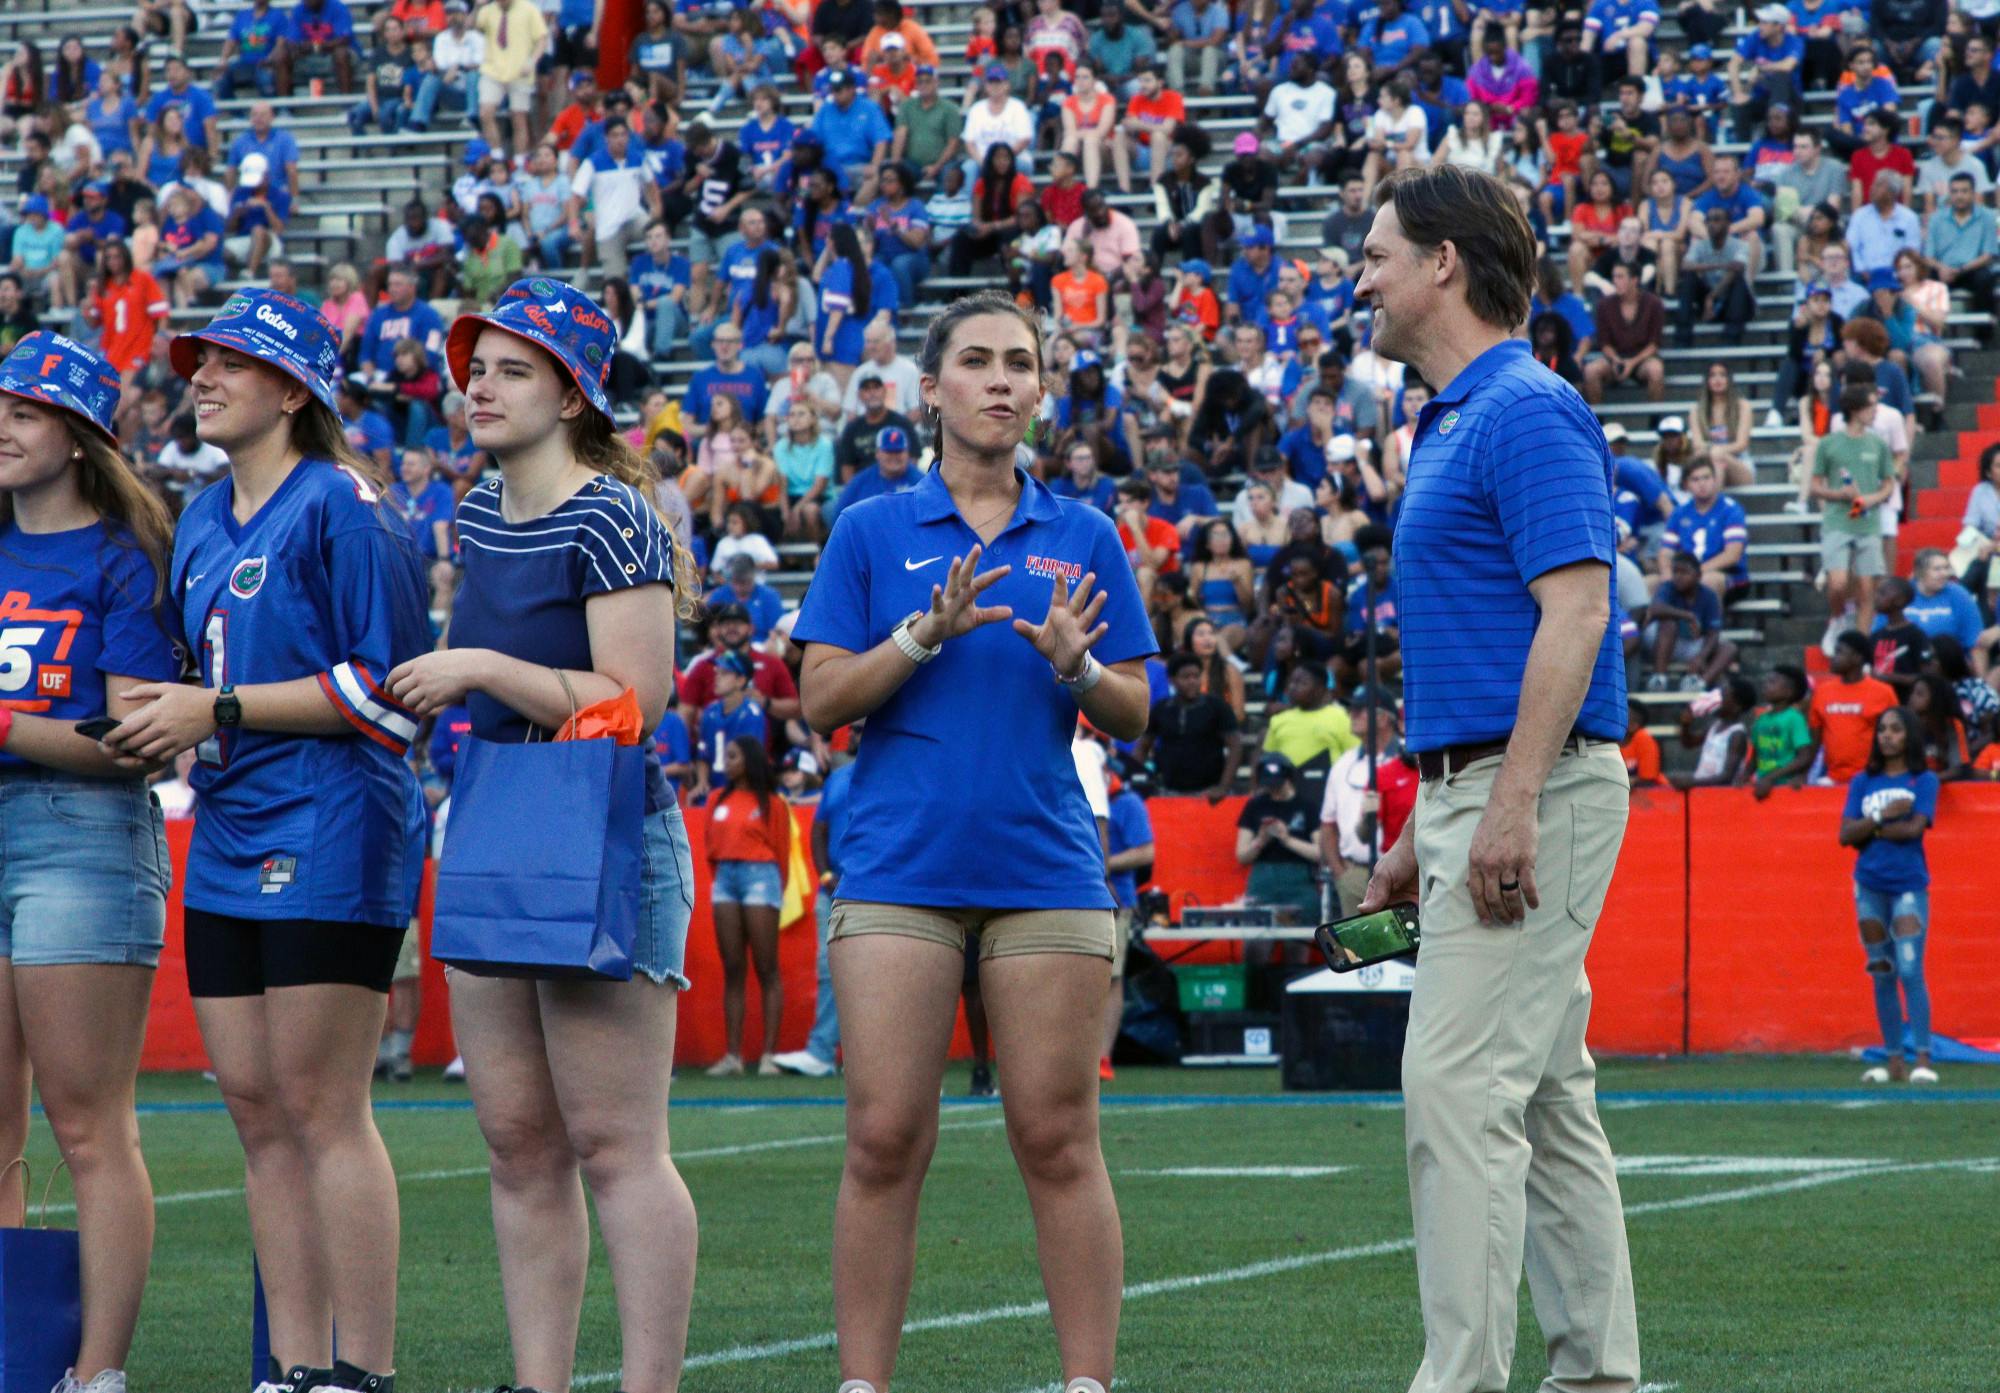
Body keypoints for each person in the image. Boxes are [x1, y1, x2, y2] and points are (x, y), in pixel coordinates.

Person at [794, 290, 1155, 1393]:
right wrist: (921, 633)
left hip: (1045, 869)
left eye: (1021, 364)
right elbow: (820, 701)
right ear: (930, 388)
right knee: (883, 1138)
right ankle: (863, 1385)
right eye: (978, 361)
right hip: (897, 871)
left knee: (1057, 1136)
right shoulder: (869, 529)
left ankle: (1086, 1383)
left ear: (1041, 391)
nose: (1002, 380)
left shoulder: (1084, 533)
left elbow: (1137, 708)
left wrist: (1077, 667)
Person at [104, 289, 430, 1393]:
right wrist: (160, 720)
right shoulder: (200, 516)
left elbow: (388, 694)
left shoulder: (347, 505)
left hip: (334, 822)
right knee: (252, 1105)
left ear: (294, 390)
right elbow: (192, 679)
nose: (200, 377)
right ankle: (291, 1367)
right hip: (230, 822)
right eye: (198, 361)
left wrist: (222, 708)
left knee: (323, 1104)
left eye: (230, 362)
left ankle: (361, 1369)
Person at [384, 276, 702, 1393]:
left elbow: (635, 701)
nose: (480, 386)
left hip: (602, 831)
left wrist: (479, 665)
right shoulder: (477, 508)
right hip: (499, 817)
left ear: (573, 397)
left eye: (513, 370)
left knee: (616, 1147)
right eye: (476, 368)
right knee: (517, 1145)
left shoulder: (614, 514)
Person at [1352, 164, 1639, 1393]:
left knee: (1456, 1086)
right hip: (1481, 787)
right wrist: (1424, 823)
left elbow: (1575, 613)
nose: (1360, 279)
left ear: (1442, 263)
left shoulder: (1521, 407)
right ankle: (1593, 1376)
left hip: (1535, 789)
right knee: (1546, 1101)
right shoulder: (1460, 415)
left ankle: (1460, 1381)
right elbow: (1490, 641)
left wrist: (1508, 800)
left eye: (1376, 255)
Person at [0, 333, 177, 1393]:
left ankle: (97, 1374)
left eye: (24, 411)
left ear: (79, 437)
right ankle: (12, 1360)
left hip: (82, 833)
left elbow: (136, 741)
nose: (2, 426)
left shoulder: (123, 557)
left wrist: (5, 725)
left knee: (86, 1123)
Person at [1839, 707, 1939, 1084]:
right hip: (1868, 884)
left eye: (1896, 729)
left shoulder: (1923, 779)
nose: (1887, 736)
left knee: (1911, 970)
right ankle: (1895, 1061)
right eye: (1882, 729)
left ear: (1909, 735)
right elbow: (1845, 835)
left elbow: (1913, 830)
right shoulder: (1862, 781)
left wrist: (1870, 830)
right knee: (1882, 971)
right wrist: (1882, 818)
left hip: (1908, 884)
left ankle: (1923, 1059)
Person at [769, 726, 861, 1079]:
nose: (850, 735)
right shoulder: (837, 778)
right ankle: (822, 1051)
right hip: (832, 890)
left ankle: (867, 1056)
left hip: (877, 890)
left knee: (883, 975)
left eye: (858, 729)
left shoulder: (893, 774)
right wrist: (824, 875)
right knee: (828, 969)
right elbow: (819, 830)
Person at [703, 731, 792, 1076]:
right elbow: (710, 847)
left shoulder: (772, 802)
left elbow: (782, 853)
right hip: (725, 879)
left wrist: (776, 891)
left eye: (733, 756)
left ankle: (769, 1056)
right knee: (733, 968)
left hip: (761, 877)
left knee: (767, 967)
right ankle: (733, 1057)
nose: (726, 762)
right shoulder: (716, 799)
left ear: (750, 760)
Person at [1318, 693, 1418, 916]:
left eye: (1359, 710)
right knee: (1359, 938)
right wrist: (1340, 874)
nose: (1351, 715)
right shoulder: (1343, 764)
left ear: (1383, 718)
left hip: (1408, 871)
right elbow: (1328, 823)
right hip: (1355, 871)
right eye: (1351, 710)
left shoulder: (1411, 757)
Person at [1812, 383, 1896, 644]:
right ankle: (1838, 617)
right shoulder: (1829, 443)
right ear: (1855, 409)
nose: (1875, 411)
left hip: (1868, 523)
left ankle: (1861, 647)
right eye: (1871, 406)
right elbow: (1815, 485)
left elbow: (1889, 483)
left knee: (1867, 588)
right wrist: (1839, 495)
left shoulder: (1878, 444)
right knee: (1837, 583)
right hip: (1838, 521)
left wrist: (1873, 498)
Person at [1137, 651, 1242, 796]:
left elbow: (1235, 745)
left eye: (1196, 676)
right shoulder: (1161, 709)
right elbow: (1143, 746)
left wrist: (1223, 787)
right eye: (1186, 677)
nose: (1192, 681)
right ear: (1172, 680)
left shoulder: (1217, 706)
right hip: (1169, 792)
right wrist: (1137, 779)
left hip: (1209, 793)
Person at [1810, 630, 1898, 782]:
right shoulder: (1822, 692)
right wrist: (1804, 774)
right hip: (1832, 778)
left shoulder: (1883, 692)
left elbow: (1897, 735)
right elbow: (1814, 741)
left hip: (1873, 777)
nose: (1833, 657)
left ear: (1857, 658)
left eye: (1839, 652)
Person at [1749, 664, 1815, 797]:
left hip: (1785, 786)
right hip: (1762, 783)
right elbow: (1756, 755)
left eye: (1772, 682)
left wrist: (1770, 777)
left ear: (1788, 692)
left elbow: (1804, 757)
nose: (1765, 685)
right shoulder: (1761, 719)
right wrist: (1745, 774)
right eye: (1766, 681)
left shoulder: (1795, 718)